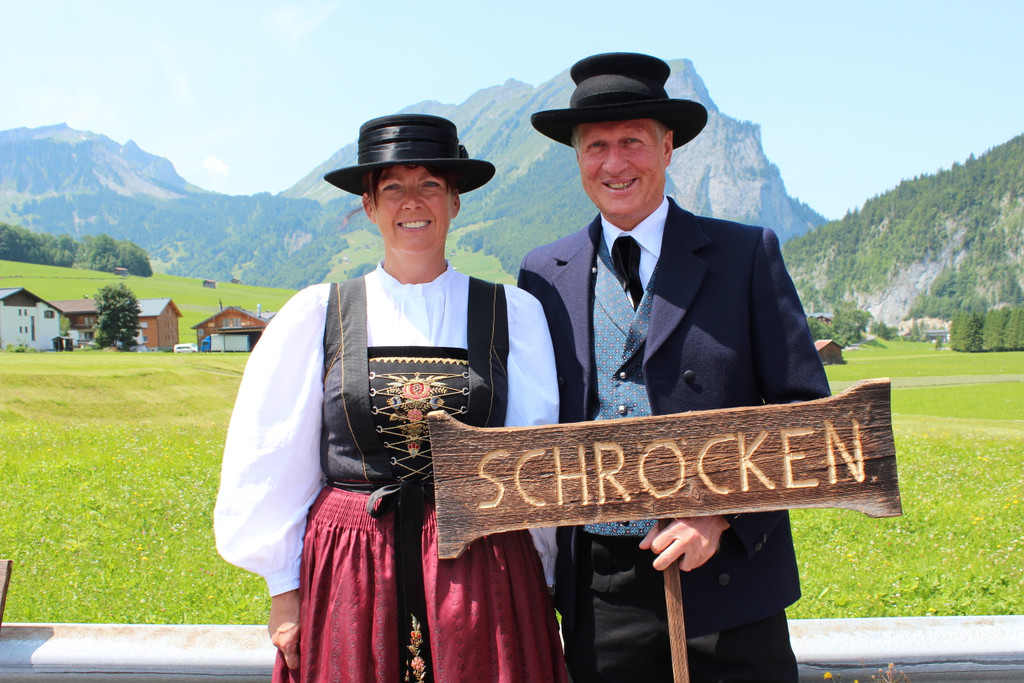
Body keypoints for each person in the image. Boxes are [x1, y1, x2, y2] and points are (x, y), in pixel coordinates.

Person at [215, 113, 567, 683]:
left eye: (430, 184)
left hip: (483, 565)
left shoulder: (513, 314)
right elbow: (273, 457)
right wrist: (283, 586)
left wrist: (542, 577)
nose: (413, 201)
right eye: (394, 187)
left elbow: (535, 459)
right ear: (369, 206)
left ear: (455, 201)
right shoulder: (319, 314)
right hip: (355, 567)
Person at [518, 53, 831, 682]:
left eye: (632, 142)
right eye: (596, 146)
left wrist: (722, 514)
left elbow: (806, 417)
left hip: (730, 580)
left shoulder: (746, 254)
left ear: (667, 147)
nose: (614, 163)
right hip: (600, 591)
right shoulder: (542, 272)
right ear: (577, 157)